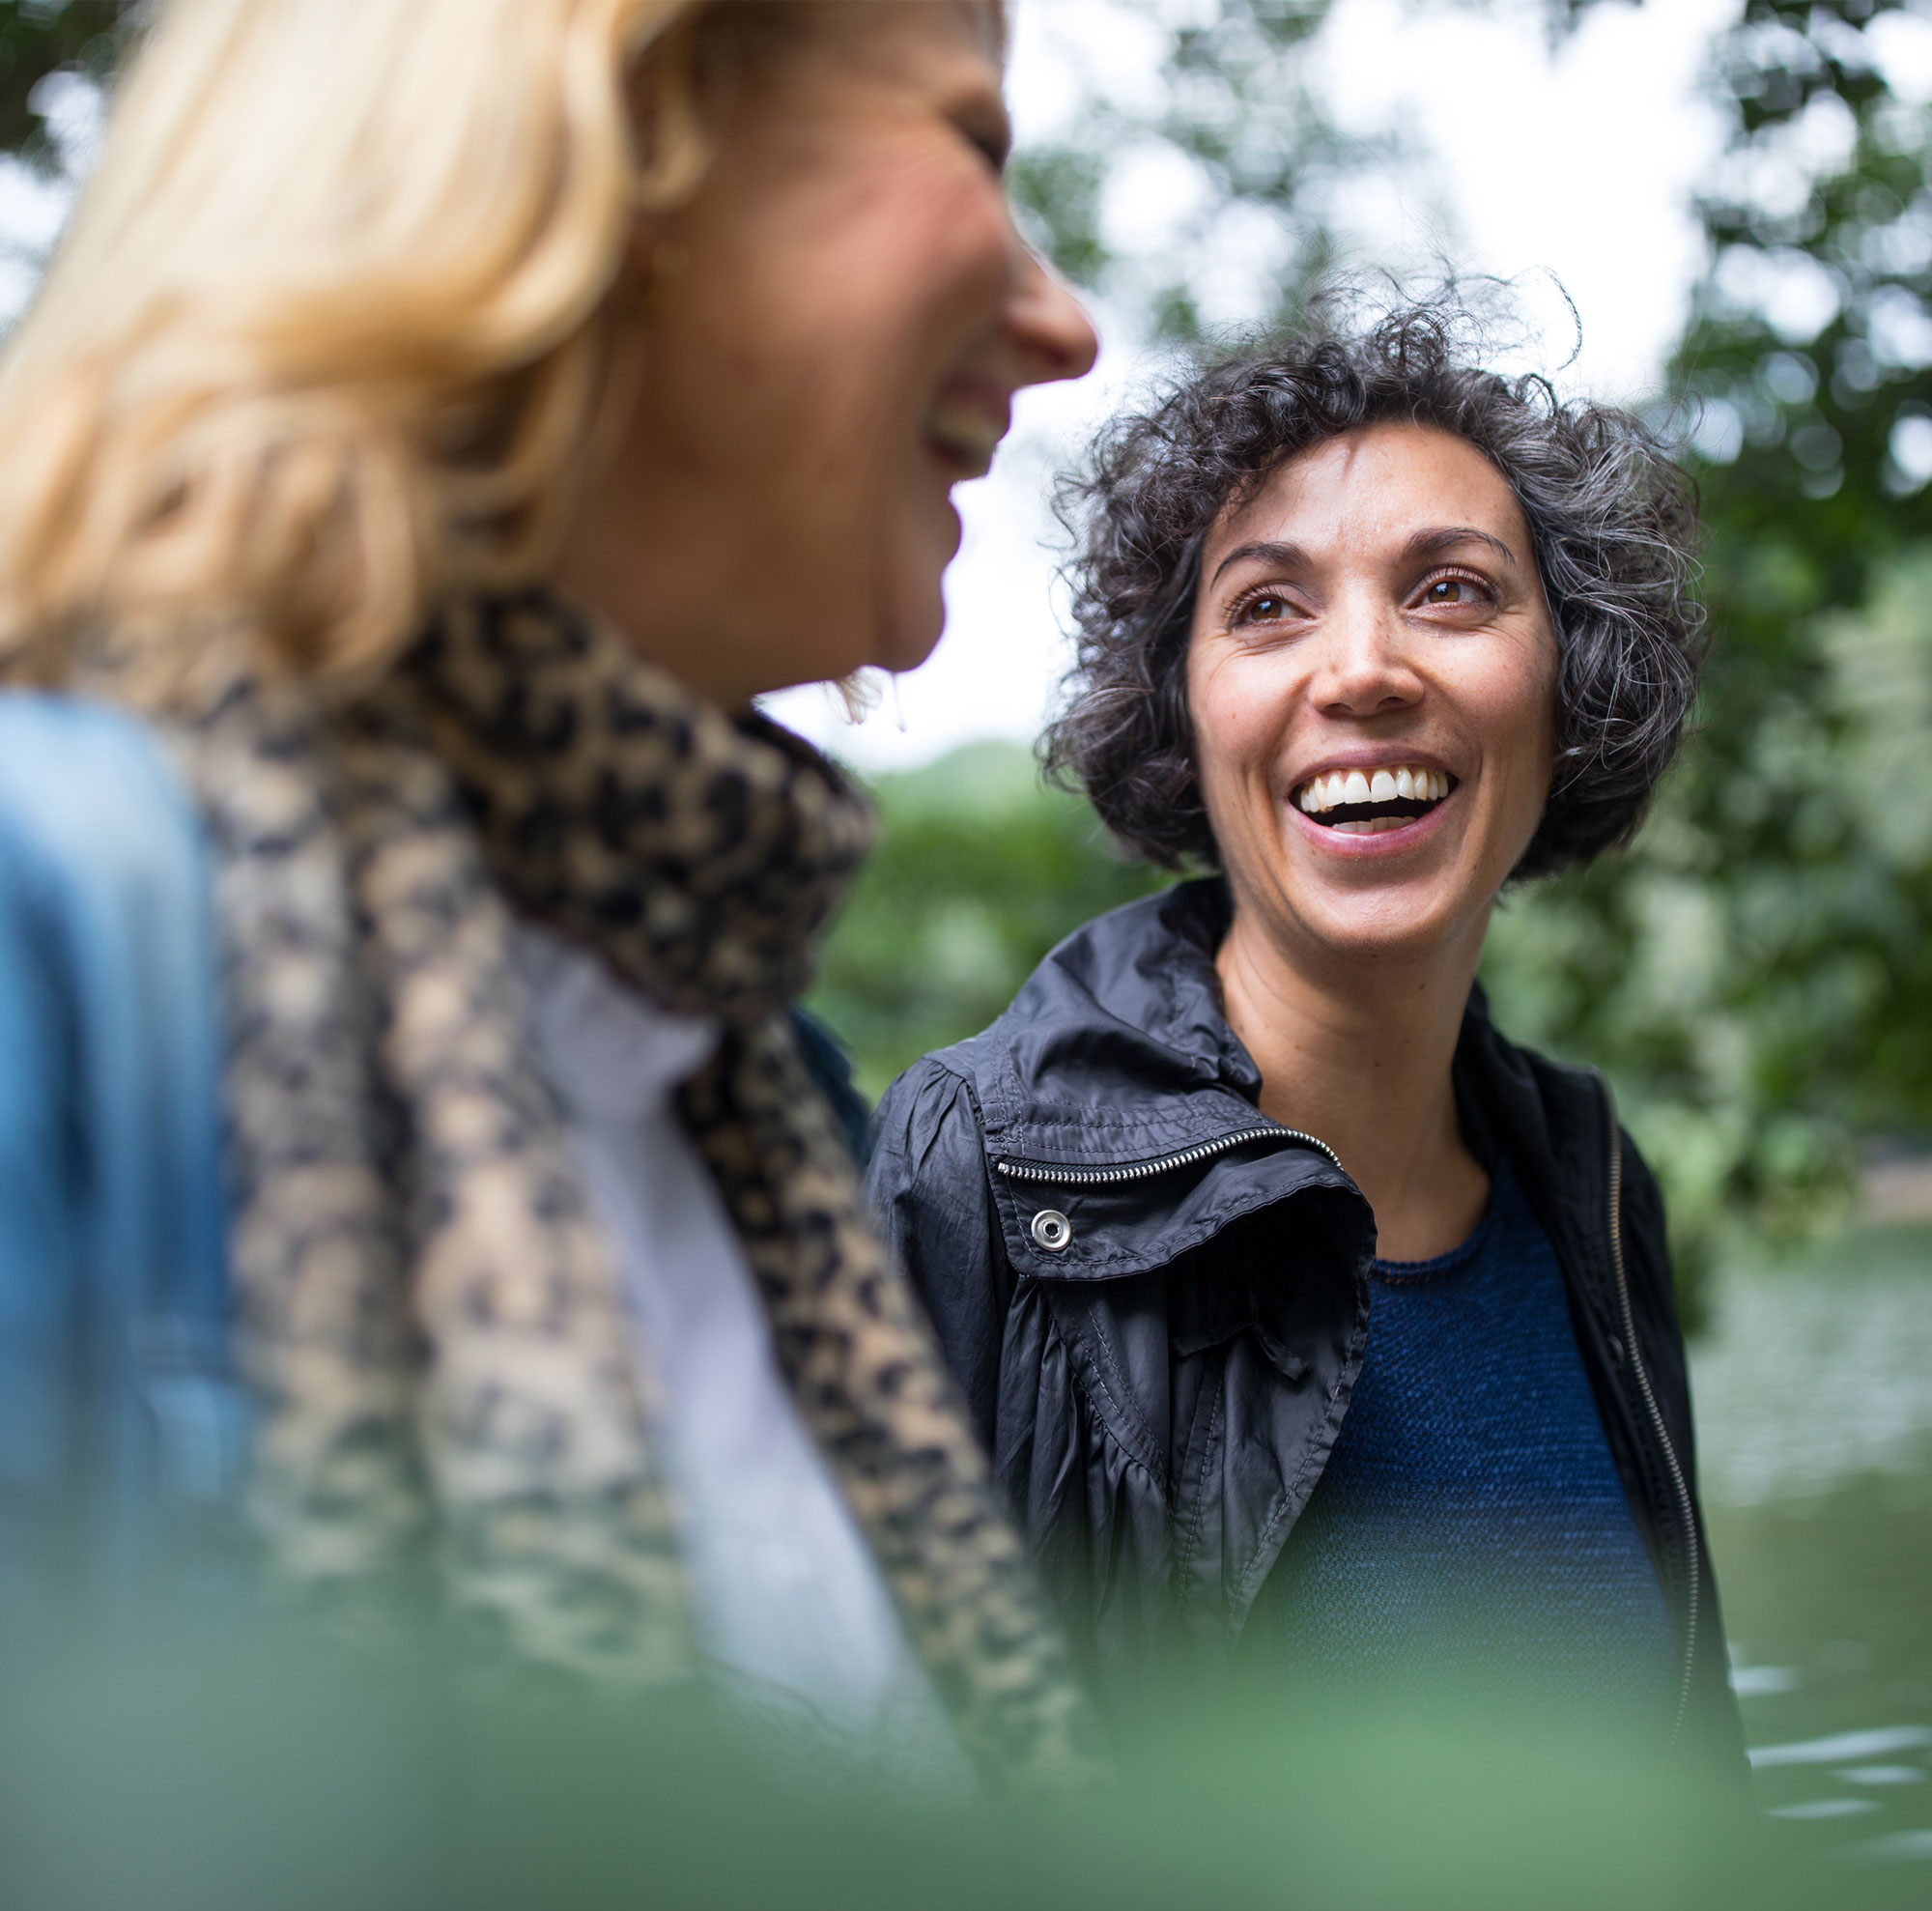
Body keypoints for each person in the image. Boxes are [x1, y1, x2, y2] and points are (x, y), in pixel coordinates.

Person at [0, 0, 1098, 1788]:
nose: (1064, 323)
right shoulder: (46, 927)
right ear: (629, 139)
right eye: (976, 144)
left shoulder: (745, 1096)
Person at [867, 307, 1747, 1773]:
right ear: (1184, 715)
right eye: (1269, 607)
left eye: (1453, 592)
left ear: (1567, 691)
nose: (1363, 670)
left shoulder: (1594, 1179)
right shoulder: (981, 1171)